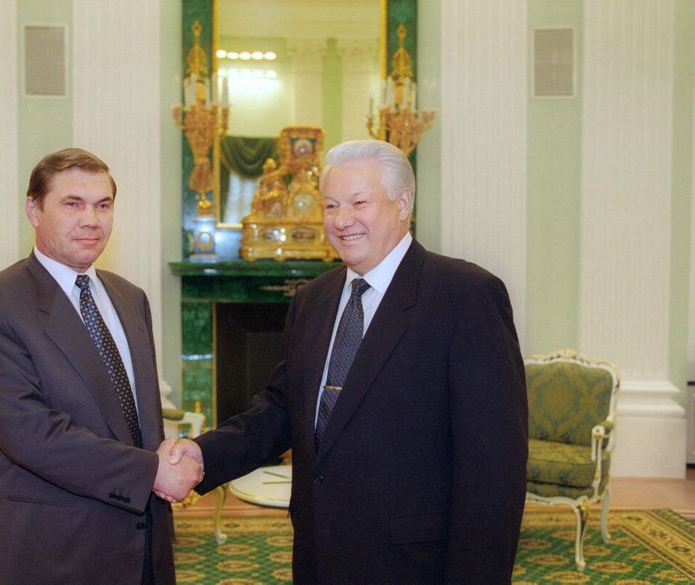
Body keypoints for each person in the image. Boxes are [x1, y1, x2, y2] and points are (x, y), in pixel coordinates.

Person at [166, 139, 528, 583]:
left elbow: (493, 467)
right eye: (331, 205)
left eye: (359, 202)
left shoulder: (465, 296)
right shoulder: (313, 299)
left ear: (403, 204)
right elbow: (281, 410)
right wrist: (203, 453)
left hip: (416, 565)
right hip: (320, 555)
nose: (341, 220)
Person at [0, 148, 201, 585]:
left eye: (103, 205)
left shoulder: (130, 298)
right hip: (50, 550)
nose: (92, 219)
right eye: (73, 204)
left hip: (142, 545)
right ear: (34, 209)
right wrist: (152, 472)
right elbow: (31, 435)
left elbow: (136, 421)